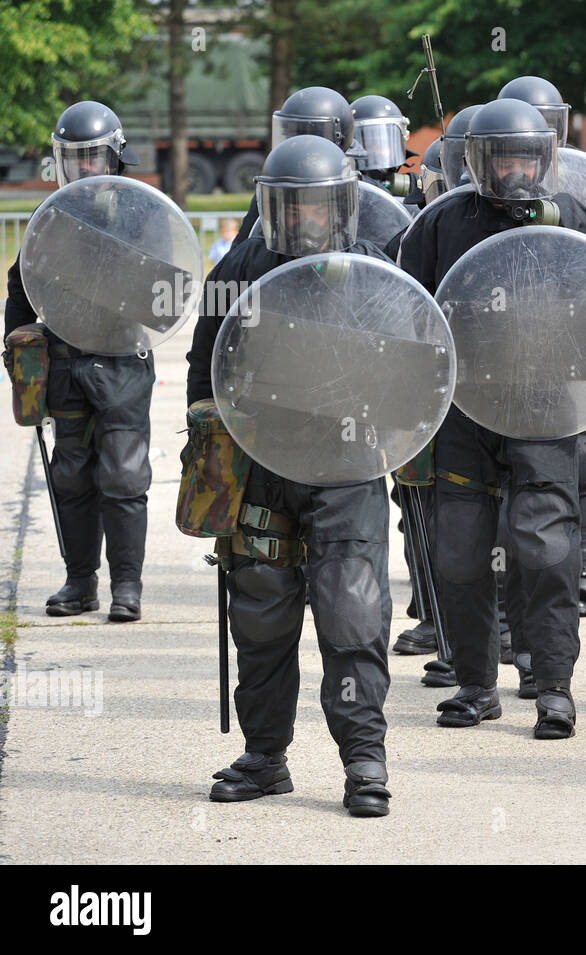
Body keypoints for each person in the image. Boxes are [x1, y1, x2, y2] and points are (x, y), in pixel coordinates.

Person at [186, 135, 396, 816]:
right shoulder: (240, 266)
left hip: (347, 463)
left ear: (341, 205)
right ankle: (265, 755)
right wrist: (209, 445)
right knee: (262, 609)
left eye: (317, 206)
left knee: (352, 607)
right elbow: (203, 367)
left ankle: (364, 759)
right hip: (263, 459)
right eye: (292, 207)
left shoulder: (371, 270)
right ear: (272, 207)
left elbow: (412, 366)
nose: (305, 219)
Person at [398, 98, 586, 739]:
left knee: (544, 546)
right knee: (458, 553)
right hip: (462, 409)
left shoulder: (573, 218)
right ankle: (475, 684)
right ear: (478, 159)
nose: (513, 168)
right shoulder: (440, 222)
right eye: (501, 156)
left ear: (545, 157)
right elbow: (413, 316)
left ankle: (553, 686)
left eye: (525, 156)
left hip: (542, 406)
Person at [3, 101, 151, 624]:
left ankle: (126, 587)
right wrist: (19, 362)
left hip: (122, 365)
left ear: (114, 158)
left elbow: (171, 290)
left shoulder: (141, 215)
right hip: (64, 366)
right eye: (74, 158)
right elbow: (19, 293)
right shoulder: (51, 222)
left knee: (125, 475)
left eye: (92, 157)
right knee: (71, 476)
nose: (83, 168)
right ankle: (79, 582)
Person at [499, 78, 586, 619]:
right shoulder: (459, 212)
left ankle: (585, 566)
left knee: (579, 469)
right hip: (494, 379)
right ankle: (496, 618)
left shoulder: (582, 195)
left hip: (564, 373)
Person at [229, 87, 357, 249]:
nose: (298, 145)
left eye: (310, 137)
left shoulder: (356, 190)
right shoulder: (278, 188)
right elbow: (239, 251)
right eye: (291, 135)